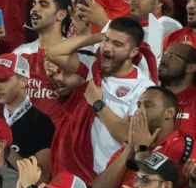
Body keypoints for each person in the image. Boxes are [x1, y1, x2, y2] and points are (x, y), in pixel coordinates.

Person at [48, 17, 155, 173]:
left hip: (106, 175)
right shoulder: (93, 68)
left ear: (133, 52)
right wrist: (99, 36)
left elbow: (131, 137)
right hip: (72, 171)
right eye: (107, 41)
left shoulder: (143, 87)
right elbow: (53, 52)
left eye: (117, 44)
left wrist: (98, 103)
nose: (107, 48)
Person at [0, 54, 55, 177]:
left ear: (23, 82)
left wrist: (5, 149)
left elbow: (42, 177)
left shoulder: (40, 123)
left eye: (4, 80)